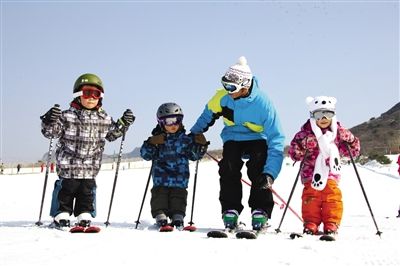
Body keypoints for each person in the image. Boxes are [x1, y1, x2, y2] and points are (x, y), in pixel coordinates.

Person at [190, 56, 285, 231]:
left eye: (231, 87)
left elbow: (277, 139)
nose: (228, 91)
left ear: (245, 86)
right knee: (228, 167)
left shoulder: (263, 104)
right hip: (233, 138)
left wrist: (271, 172)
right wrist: (194, 135)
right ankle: (230, 210)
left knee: (259, 170)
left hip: (258, 138)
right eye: (225, 85)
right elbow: (206, 116)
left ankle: (260, 210)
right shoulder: (222, 97)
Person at [40, 73, 135, 229]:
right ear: (78, 95)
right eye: (87, 93)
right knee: (66, 190)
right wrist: (49, 120)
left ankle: (84, 213)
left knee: (87, 191)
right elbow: (51, 132)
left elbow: (112, 134)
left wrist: (123, 124)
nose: (91, 97)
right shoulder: (67, 116)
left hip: (90, 167)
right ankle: (61, 214)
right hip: (69, 165)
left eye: (96, 94)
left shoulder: (104, 118)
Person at [288, 96, 360, 235]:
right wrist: (302, 149)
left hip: (331, 172)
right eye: (319, 114)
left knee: (332, 197)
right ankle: (311, 223)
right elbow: (294, 152)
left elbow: (354, 150)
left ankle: (331, 223)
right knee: (311, 198)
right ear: (313, 116)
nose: (324, 118)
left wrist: (349, 140)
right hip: (310, 173)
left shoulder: (338, 133)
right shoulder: (304, 134)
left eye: (328, 113)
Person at [140, 102, 208, 229]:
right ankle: (160, 215)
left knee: (179, 198)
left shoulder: (186, 139)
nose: (173, 125)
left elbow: (194, 155)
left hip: (180, 178)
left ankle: (178, 216)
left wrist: (201, 146)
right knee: (159, 196)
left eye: (176, 121)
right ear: (161, 123)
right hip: (161, 178)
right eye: (169, 121)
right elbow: (145, 155)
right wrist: (150, 143)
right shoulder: (158, 139)